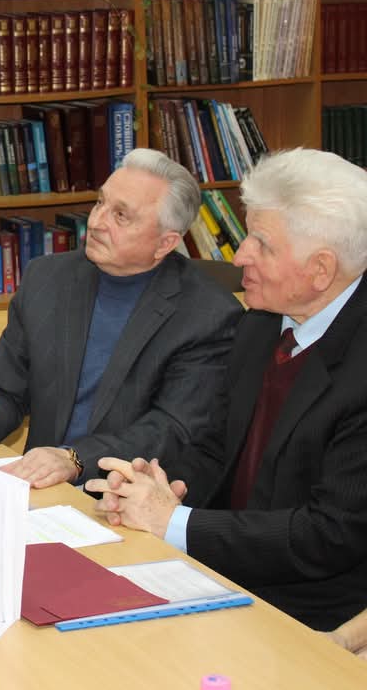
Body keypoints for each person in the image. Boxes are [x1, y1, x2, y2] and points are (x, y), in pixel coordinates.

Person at [87, 148, 367, 631]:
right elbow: (219, 450)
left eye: (262, 244)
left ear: (321, 269)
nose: (240, 257)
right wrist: (155, 489)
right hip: (215, 576)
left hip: (310, 618)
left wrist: (174, 522)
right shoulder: (261, 323)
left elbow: (328, 535)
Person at [0, 148, 242, 487]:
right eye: (100, 203)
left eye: (120, 215)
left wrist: (75, 458)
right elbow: (4, 389)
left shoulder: (208, 315)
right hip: (41, 490)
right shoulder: (48, 279)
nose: (96, 222)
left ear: (165, 243)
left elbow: (170, 428)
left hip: (129, 495)